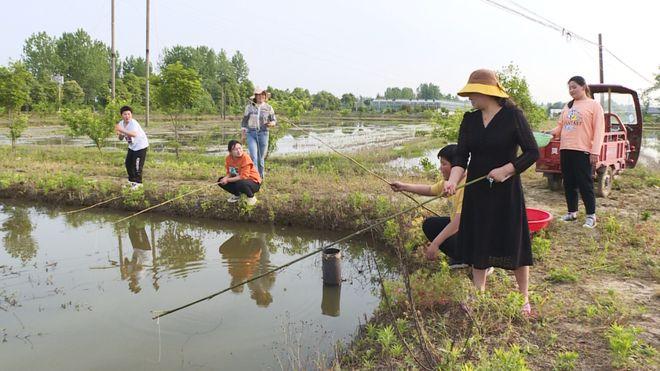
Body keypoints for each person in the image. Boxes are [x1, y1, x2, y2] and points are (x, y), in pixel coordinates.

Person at [443, 69, 539, 316]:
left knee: (513, 240)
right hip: (477, 189)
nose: (469, 98)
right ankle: (478, 295)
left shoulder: (513, 116)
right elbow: (461, 157)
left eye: (472, 93)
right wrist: (452, 181)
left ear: (487, 92)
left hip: (506, 190)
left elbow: (531, 152)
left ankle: (523, 298)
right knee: (479, 240)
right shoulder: (470, 120)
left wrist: (507, 169)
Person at [390, 144, 468, 269]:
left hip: (474, 233)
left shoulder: (466, 186)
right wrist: (403, 186)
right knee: (430, 224)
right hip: (463, 228)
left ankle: (474, 259)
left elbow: (459, 222)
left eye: (444, 164)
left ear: (457, 166)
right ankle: (462, 257)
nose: (440, 168)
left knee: (449, 230)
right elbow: (429, 190)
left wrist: (435, 244)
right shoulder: (450, 184)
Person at [550, 76, 604, 228]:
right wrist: (549, 133)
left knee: (585, 183)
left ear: (583, 87)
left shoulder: (594, 106)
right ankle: (572, 212)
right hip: (566, 148)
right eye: (569, 88)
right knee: (568, 182)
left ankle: (591, 216)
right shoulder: (567, 106)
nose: (571, 90)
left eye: (574, 87)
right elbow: (560, 127)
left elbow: (599, 130)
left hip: (583, 150)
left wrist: (595, 151)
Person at [241, 87, 276, 180]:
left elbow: (273, 120)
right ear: (255, 96)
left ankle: (261, 177)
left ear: (265, 96)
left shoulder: (269, 108)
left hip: (264, 133)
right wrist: (243, 135)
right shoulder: (249, 107)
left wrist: (271, 124)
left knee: (261, 158)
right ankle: (255, 178)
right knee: (253, 156)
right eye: (258, 95)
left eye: (262, 95)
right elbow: (244, 122)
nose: (260, 97)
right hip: (251, 133)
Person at [218, 140, 262, 205]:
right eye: (235, 149)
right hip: (241, 180)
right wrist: (225, 178)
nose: (239, 151)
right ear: (230, 152)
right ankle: (237, 195)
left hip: (253, 182)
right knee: (220, 180)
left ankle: (251, 197)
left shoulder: (245, 157)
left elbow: (243, 176)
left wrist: (227, 179)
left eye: (240, 148)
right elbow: (231, 173)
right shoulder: (228, 158)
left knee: (240, 182)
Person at [115, 105, 149, 189]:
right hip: (132, 146)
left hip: (141, 146)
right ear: (121, 115)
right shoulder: (121, 124)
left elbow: (134, 134)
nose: (127, 116)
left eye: (129, 114)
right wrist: (120, 134)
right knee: (128, 164)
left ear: (131, 115)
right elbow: (120, 138)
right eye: (125, 114)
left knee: (137, 165)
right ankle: (132, 181)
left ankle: (139, 183)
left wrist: (122, 130)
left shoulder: (133, 123)